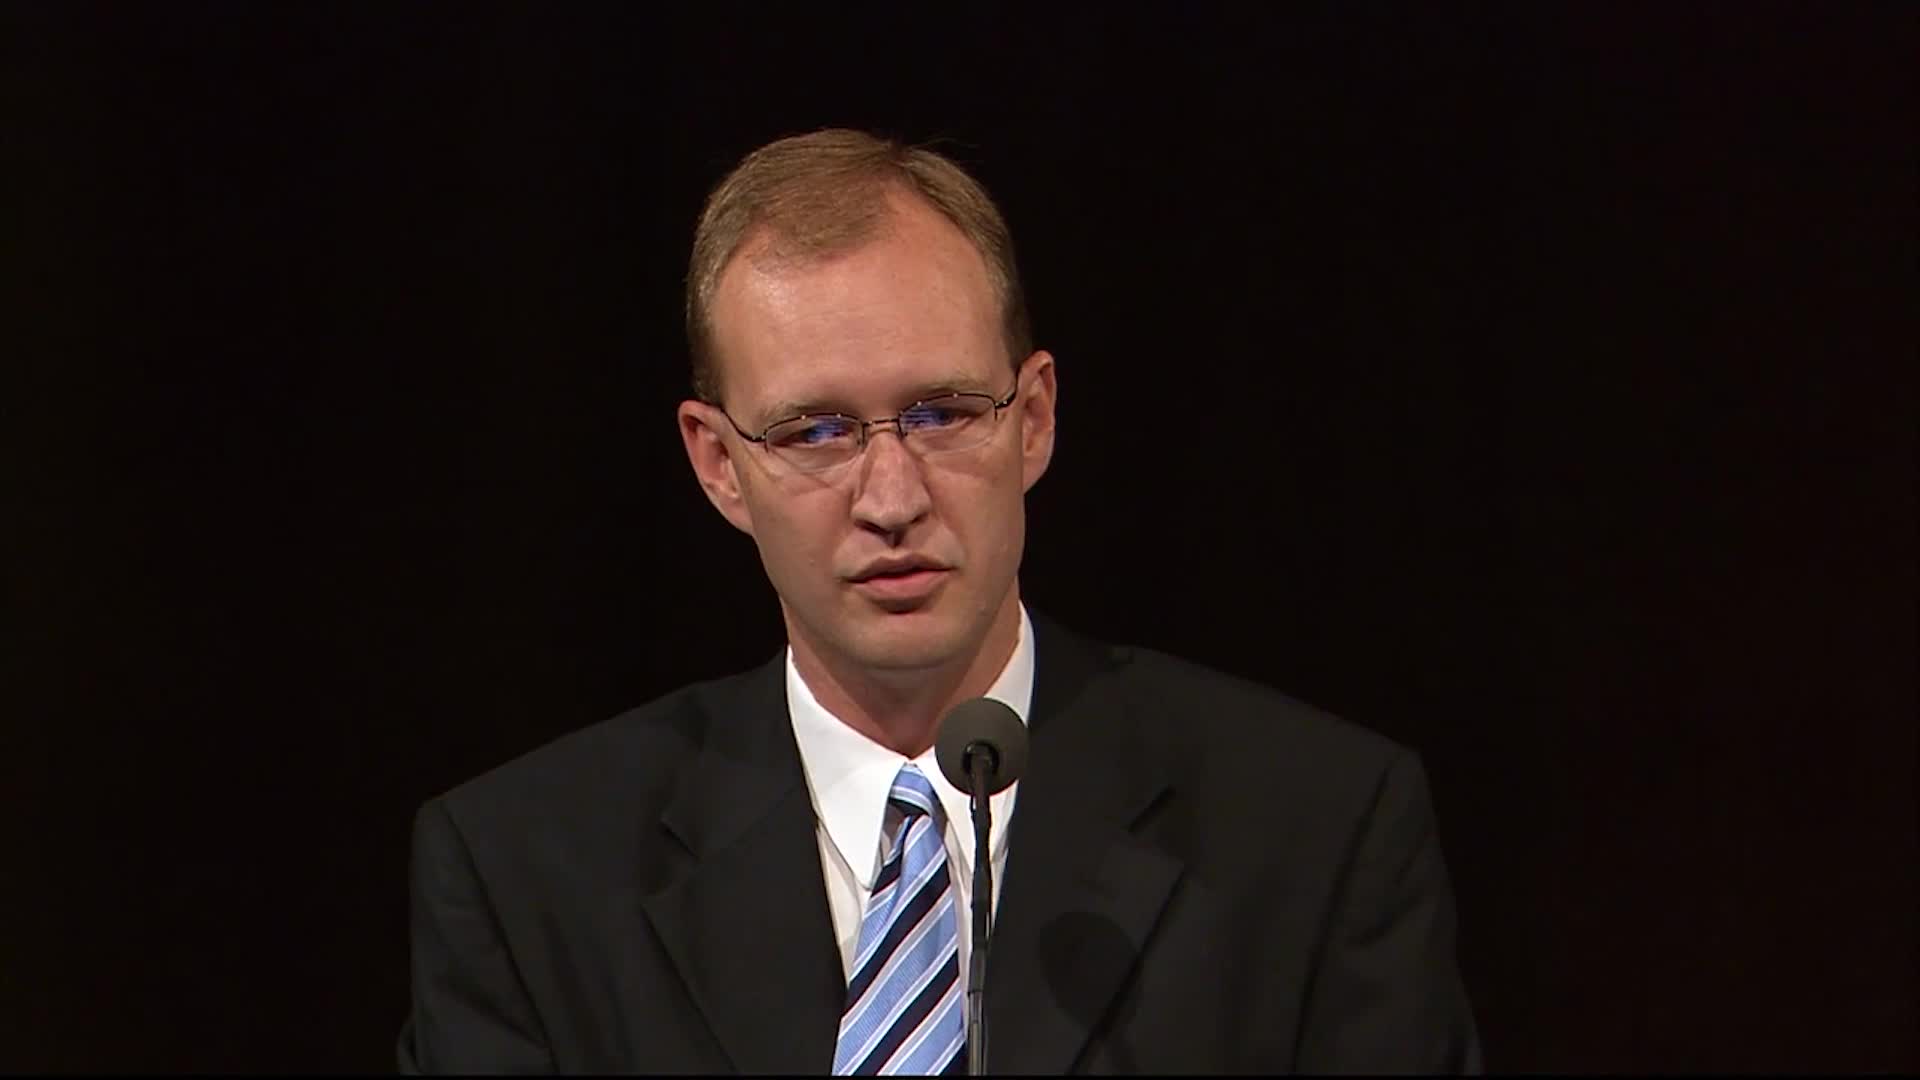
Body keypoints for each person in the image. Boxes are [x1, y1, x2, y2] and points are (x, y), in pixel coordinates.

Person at [397, 127, 1482, 1074]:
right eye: (815, 432)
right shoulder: (525, 873)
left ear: (1035, 418)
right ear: (718, 464)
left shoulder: (1312, 832)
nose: (892, 499)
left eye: (942, 414)